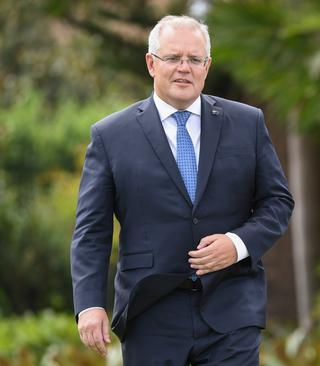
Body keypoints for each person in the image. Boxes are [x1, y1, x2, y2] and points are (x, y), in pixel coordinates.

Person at [71, 15, 293, 365]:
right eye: (173, 58)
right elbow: (91, 231)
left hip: (231, 307)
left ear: (207, 66)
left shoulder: (247, 123)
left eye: (194, 59)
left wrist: (237, 245)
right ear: (151, 64)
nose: (184, 68)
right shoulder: (110, 136)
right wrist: (89, 304)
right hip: (150, 311)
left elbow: (277, 202)